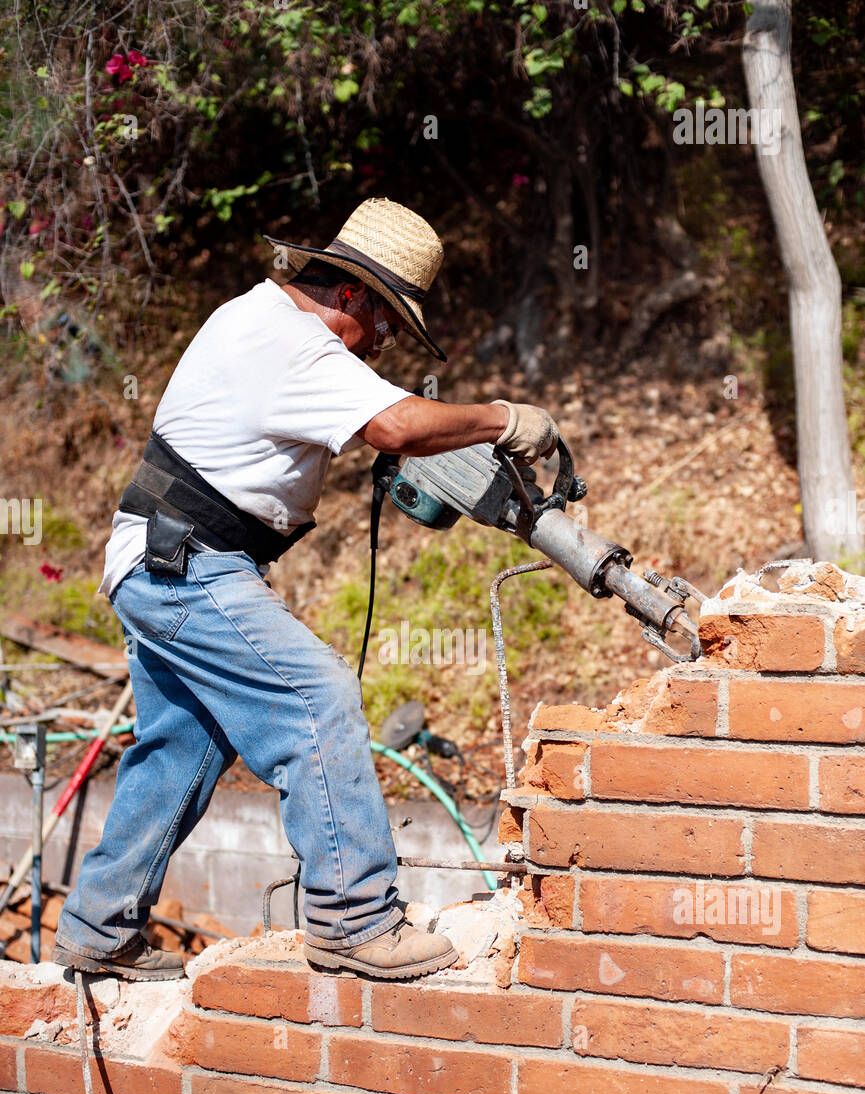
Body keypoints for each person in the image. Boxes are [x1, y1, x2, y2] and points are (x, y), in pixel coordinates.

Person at [52, 198, 557, 983]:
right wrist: (503, 417)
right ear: (351, 294)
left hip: (160, 559)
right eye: (388, 321)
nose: (388, 341)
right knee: (316, 700)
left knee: (181, 747)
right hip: (189, 563)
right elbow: (396, 426)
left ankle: (96, 926)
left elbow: (358, 429)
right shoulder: (294, 344)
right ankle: (354, 920)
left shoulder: (256, 321)